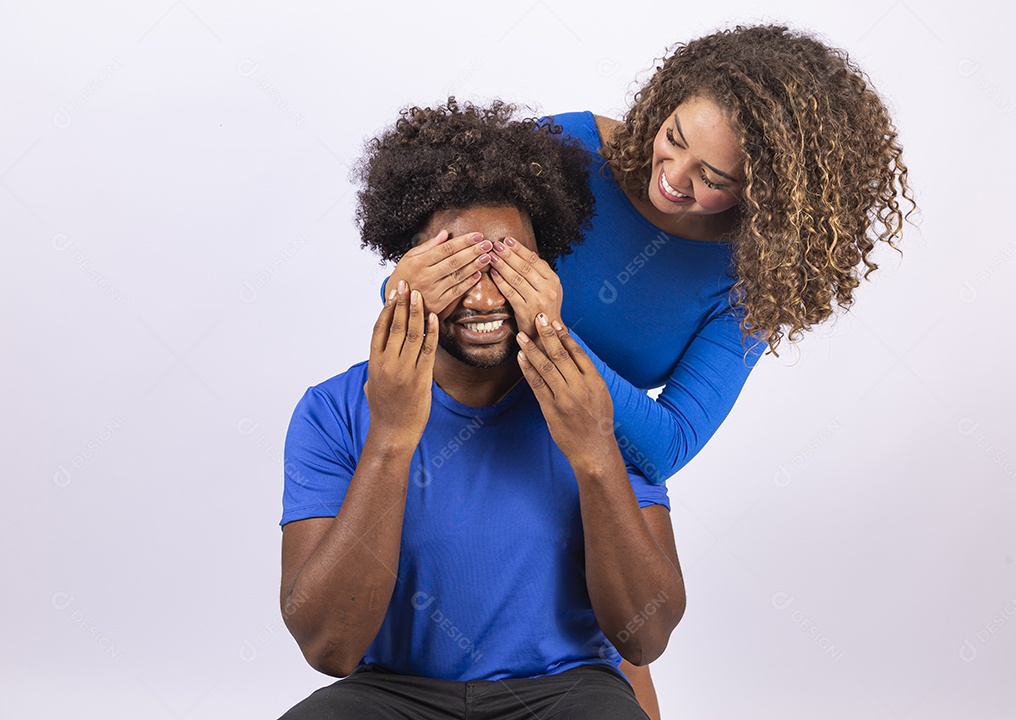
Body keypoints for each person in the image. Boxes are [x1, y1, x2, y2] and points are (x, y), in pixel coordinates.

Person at [382, 23, 916, 712]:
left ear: (768, 191)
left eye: (716, 179)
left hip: (586, 469)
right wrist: (423, 292)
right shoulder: (568, 149)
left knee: (623, 654)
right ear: (664, 99)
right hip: (459, 431)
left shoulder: (750, 278)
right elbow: (421, 282)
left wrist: (546, 330)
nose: (674, 178)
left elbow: (666, 443)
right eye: (674, 137)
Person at [277, 101, 685, 720]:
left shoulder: (593, 401)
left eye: (508, 265)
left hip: (563, 692)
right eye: (456, 264)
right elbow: (330, 648)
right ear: (406, 272)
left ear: (545, 267)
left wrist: (595, 448)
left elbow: (645, 636)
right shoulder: (332, 412)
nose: (487, 295)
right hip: (394, 694)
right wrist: (391, 434)